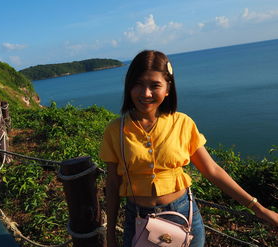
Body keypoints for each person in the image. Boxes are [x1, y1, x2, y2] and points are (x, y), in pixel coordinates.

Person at [99, 50, 278, 247]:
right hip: (138, 218)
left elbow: (212, 170)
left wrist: (259, 209)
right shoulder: (115, 130)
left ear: (168, 89)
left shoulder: (182, 123)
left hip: (183, 214)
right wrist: (110, 233)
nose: (145, 93)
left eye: (155, 85)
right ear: (128, 86)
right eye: (138, 84)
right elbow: (113, 184)